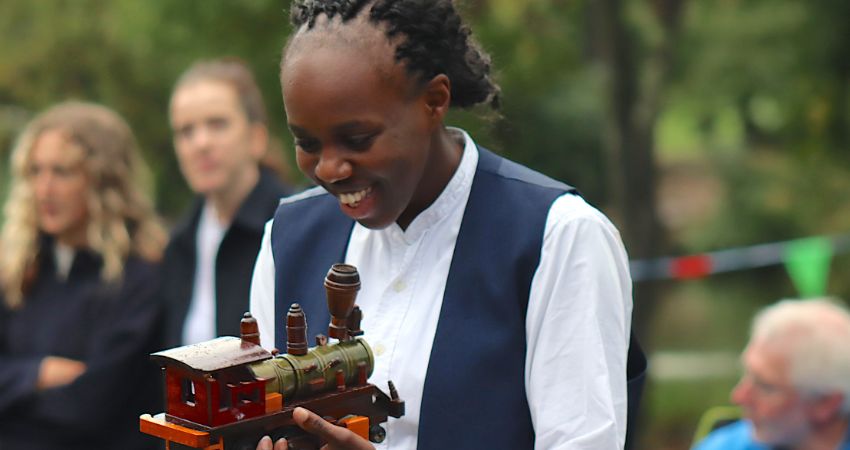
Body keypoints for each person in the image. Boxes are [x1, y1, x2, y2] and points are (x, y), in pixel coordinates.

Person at [251, 1, 645, 449]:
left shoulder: (558, 237)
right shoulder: (287, 239)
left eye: (357, 139)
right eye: (307, 143)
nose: (329, 168)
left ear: (434, 101)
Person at [0, 101, 167, 449]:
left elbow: (86, 410)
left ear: (103, 181)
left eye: (62, 172)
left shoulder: (141, 277)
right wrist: (38, 373)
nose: (44, 189)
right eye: (35, 171)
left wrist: (12, 389)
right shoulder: (19, 269)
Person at [161, 57, 292, 347]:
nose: (201, 143)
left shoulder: (292, 229)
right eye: (186, 131)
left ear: (256, 138)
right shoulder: (179, 245)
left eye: (217, 124)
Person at [693, 298, 850, 450]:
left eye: (765, 387)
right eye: (747, 374)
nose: (739, 396)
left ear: (826, 403)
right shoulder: (724, 446)